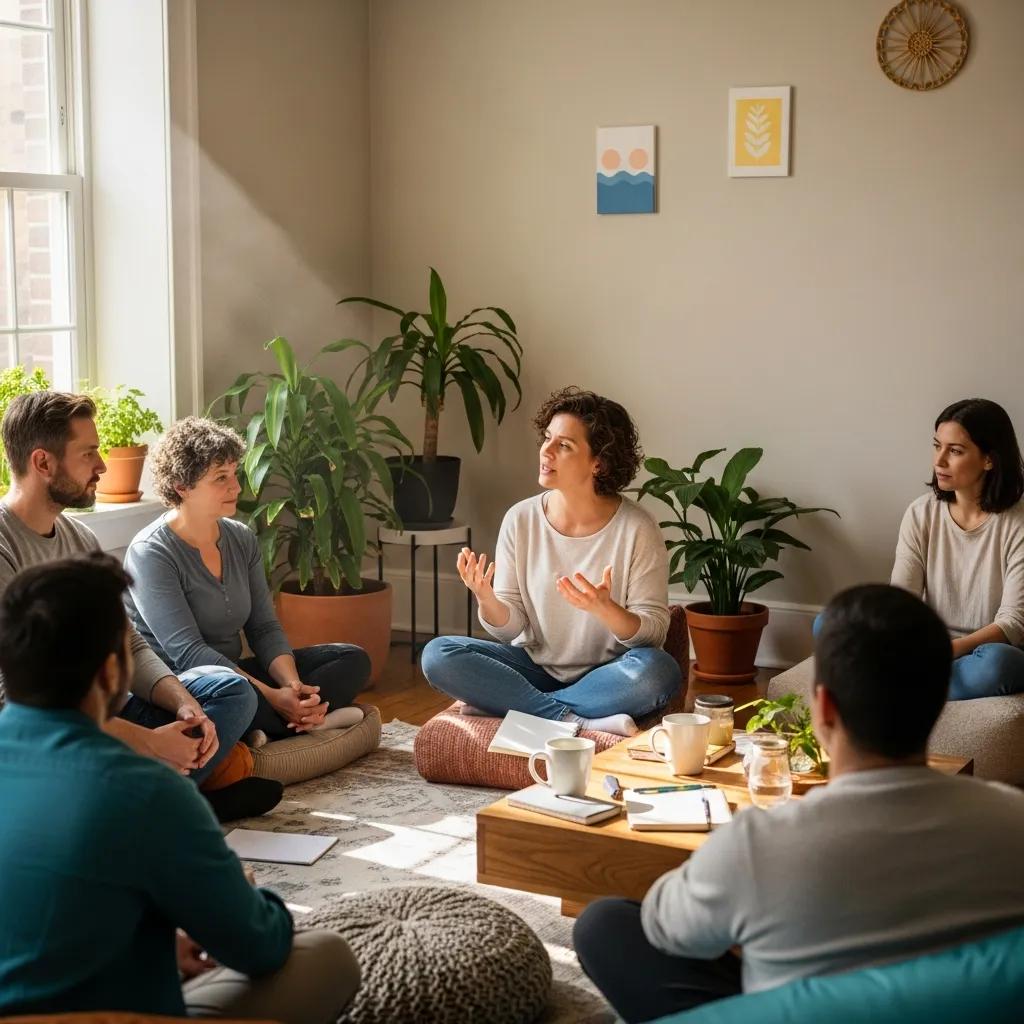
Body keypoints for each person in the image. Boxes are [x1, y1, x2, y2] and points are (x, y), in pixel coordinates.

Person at [573, 584, 1024, 1023]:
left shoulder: (758, 842)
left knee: (604, 923)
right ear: (937, 703)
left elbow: (666, 927)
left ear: (824, 709)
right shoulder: (1014, 821)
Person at [0, 553, 360, 1020]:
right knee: (327, 954)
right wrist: (241, 889)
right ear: (112, 672)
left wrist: (159, 941)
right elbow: (260, 945)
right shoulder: (145, 789)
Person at [0, 391, 255, 787]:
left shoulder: (80, 538)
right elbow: (15, 703)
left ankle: (162, 791)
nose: (102, 465)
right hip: (51, 732)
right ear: (43, 462)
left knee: (230, 691)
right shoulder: (4, 547)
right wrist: (149, 742)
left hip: (112, 713)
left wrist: (185, 705)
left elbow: (129, 642)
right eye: (88, 453)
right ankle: (178, 793)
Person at [421, 386, 681, 737]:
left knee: (659, 671)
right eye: (547, 438)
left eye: (564, 445)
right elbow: (511, 628)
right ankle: (570, 720)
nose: (546, 451)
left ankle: (515, 706)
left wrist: (605, 609)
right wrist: (487, 599)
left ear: (598, 463)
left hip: (608, 672)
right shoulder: (521, 518)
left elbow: (653, 633)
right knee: (438, 654)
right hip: (534, 666)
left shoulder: (637, 528)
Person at [123, 416, 371, 744]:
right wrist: (270, 695)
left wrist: (291, 688)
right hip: (188, 687)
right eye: (220, 478)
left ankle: (275, 724)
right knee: (237, 695)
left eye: (235, 474)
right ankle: (305, 721)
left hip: (239, 674)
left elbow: (263, 628)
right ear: (182, 486)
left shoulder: (241, 538)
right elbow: (189, 653)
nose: (236, 487)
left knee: (351, 659)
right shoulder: (150, 553)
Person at [892, 397, 1024, 700]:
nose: (939, 461)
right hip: (929, 645)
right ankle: (918, 680)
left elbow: (1012, 624)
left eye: (955, 451)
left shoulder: (1017, 524)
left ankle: (900, 684)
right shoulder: (920, 513)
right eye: (937, 445)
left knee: (997, 664)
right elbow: (901, 601)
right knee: (831, 622)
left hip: (992, 650)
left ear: (989, 459)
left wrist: (942, 651)